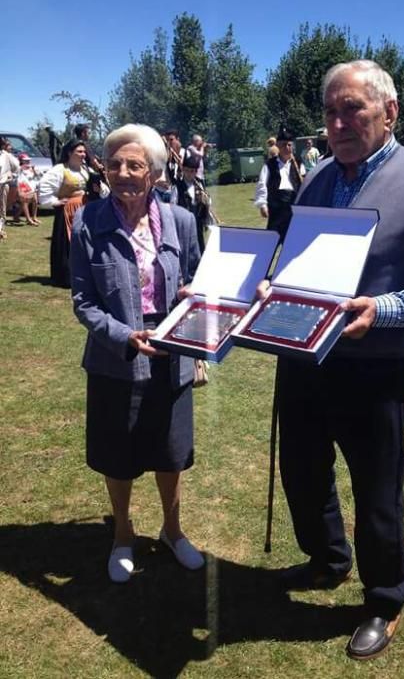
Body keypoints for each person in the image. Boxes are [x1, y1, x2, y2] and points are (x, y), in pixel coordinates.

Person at [259, 60, 404, 661]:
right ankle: (327, 560)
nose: (338, 122)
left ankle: (383, 598)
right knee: (302, 472)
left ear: (389, 111)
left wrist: (380, 308)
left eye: (352, 108)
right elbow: (301, 264)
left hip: (374, 367)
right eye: (330, 111)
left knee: (377, 490)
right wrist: (270, 287)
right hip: (302, 357)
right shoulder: (318, 178)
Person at [70, 124, 203, 583]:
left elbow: (196, 282)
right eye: (114, 164)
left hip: (172, 350)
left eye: (134, 165)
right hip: (116, 354)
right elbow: (83, 302)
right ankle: (122, 535)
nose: (122, 173)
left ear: (154, 172)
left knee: (170, 452)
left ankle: (172, 530)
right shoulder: (88, 221)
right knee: (119, 452)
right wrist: (125, 335)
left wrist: (193, 299)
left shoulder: (181, 220)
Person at [39, 138, 91, 287]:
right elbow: (44, 185)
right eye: (79, 151)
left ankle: (83, 275)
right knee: (67, 244)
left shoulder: (85, 169)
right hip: (68, 212)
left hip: (84, 210)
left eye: (84, 152)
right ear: (69, 153)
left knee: (84, 243)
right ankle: (65, 277)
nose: (83, 154)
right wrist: (54, 201)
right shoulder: (60, 169)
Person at [254, 125, 304, 243]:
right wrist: (262, 204)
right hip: (276, 207)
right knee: (271, 242)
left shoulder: (298, 163)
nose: (287, 148)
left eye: (289, 145)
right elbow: (262, 184)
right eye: (283, 145)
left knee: (293, 242)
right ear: (278, 147)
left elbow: (304, 184)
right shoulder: (270, 164)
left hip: (294, 207)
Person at [175, 152, 212, 253]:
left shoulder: (199, 184)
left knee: (199, 249)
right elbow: (173, 205)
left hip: (197, 223)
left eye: (192, 171)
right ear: (183, 170)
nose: (189, 174)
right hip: (183, 224)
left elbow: (207, 203)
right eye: (186, 170)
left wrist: (206, 201)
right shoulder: (178, 186)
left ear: (195, 172)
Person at [0, 137, 20, 239]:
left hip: (2, 185)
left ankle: (1, 230)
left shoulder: (6, 156)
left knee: (2, 209)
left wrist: (12, 175)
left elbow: (17, 167)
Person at [15, 153, 40, 226]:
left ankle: (33, 217)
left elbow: (36, 176)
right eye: (25, 160)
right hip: (24, 186)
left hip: (32, 186)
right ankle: (28, 219)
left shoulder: (31, 168)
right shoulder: (19, 168)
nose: (28, 161)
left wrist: (33, 170)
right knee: (25, 202)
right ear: (21, 161)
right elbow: (17, 175)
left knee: (34, 201)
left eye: (28, 160)